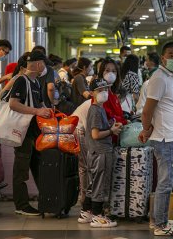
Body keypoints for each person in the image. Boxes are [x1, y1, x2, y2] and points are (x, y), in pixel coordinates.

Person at [138, 41, 173, 236]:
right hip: (166, 138)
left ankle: (159, 219)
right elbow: (147, 111)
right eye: (171, 55)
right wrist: (146, 129)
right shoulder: (159, 78)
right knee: (166, 182)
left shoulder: (169, 77)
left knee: (167, 181)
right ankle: (160, 224)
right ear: (163, 58)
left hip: (170, 136)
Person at [9, 50, 51, 216]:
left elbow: (38, 105)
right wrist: (37, 111)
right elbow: (13, 104)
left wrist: (45, 110)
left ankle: (48, 199)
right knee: (21, 169)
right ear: (39, 64)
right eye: (45, 65)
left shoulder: (36, 83)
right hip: (23, 132)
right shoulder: (21, 80)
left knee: (38, 167)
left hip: (34, 133)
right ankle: (21, 205)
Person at [78, 78, 122, 228]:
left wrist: (110, 125)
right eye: (100, 90)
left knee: (93, 183)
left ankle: (86, 212)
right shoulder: (96, 110)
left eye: (105, 89)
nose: (104, 92)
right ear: (91, 93)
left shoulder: (98, 109)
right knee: (100, 185)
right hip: (101, 151)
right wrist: (112, 131)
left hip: (95, 151)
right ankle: (97, 216)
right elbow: (96, 134)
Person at [71, 99, 92, 205]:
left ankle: (84, 195)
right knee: (84, 166)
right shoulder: (91, 105)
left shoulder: (92, 103)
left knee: (85, 166)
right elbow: (89, 129)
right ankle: (84, 197)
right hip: (78, 130)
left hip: (78, 129)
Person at [98, 58, 127, 125]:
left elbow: (118, 114)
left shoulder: (113, 92)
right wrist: (124, 122)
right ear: (102, 72)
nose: (110, 74)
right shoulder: (101, 94)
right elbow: (108, 117)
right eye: (107, 70)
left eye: (114, 71)